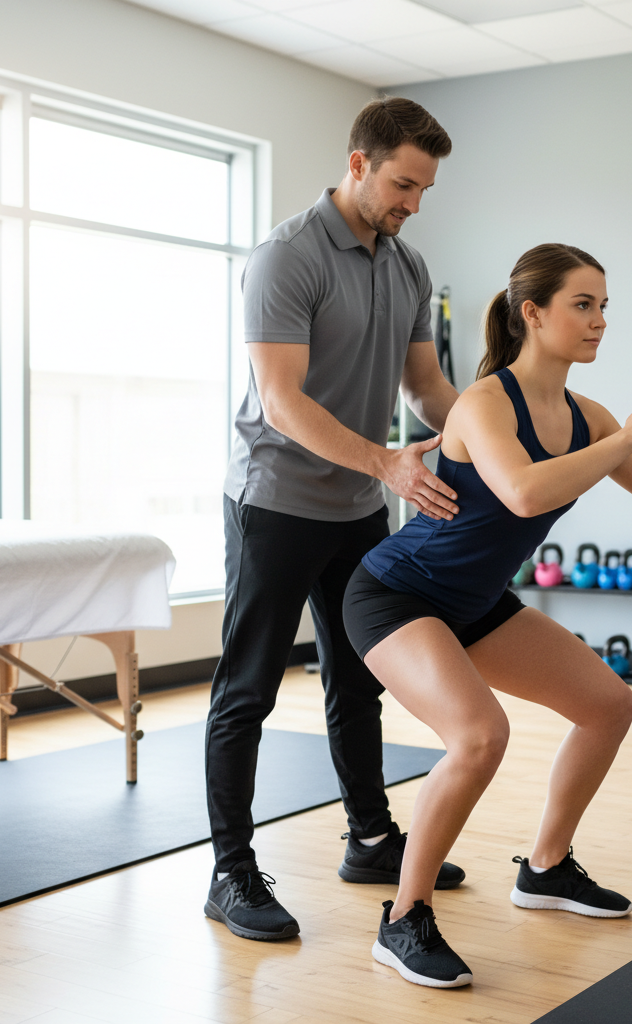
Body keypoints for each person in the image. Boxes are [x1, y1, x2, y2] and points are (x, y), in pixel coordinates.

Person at [342, 243, 632, 987]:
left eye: (604, 306)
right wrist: (626, 440)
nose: (600, 321)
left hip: (475, 604)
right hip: (397, 595)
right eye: (583, 305)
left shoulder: (586, 416)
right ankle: (404, 918)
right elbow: (524, 493)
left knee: (608, 705)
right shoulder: (483, 403)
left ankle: (546, 868)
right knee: (479, 737)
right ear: (532, 313)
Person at [204, 98, 467, 943]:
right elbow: (281, 402)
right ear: (358, 164)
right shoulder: (286, 256)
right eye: (402, 185)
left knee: (359, 678)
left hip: (356, 506)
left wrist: (493, 440)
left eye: (424, 190)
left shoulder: (407, 266)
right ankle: (231, 873)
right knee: (248, 690)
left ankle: (371, 839)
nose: (413, 204)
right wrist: (388, 464)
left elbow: (426, 388)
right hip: (276, 504)